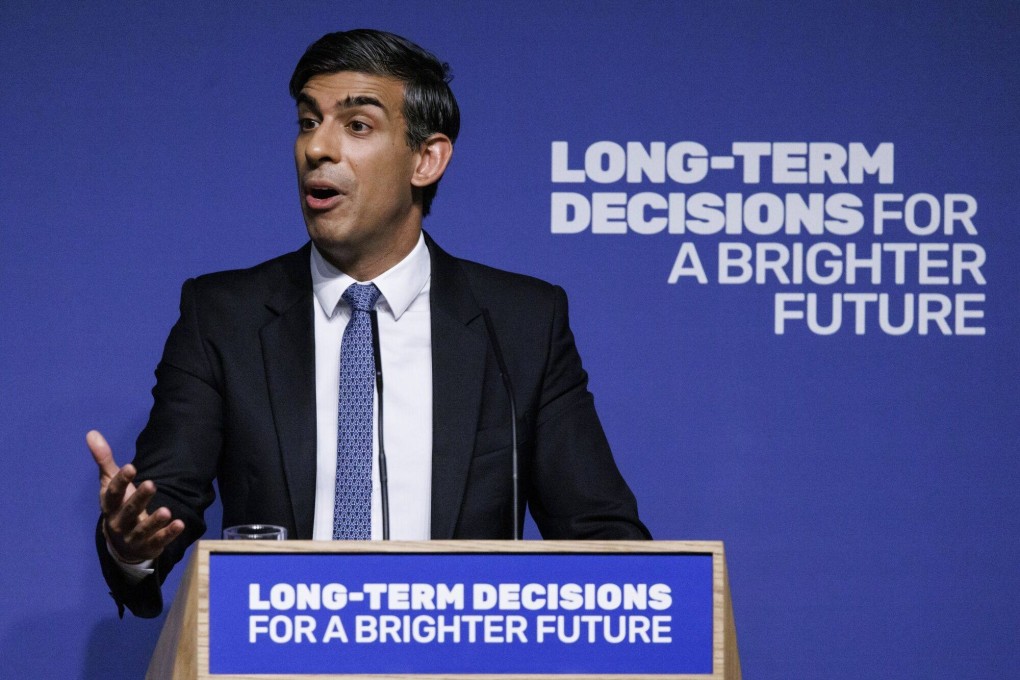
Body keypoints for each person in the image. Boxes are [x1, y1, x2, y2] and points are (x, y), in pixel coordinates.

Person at [89, 29, 650, 619]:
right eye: (308, 121)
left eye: (356, 126)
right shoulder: (223, 316)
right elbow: (160, 509)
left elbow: (602, 540)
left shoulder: (520, 325)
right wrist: (131, 546)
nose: (317, 149)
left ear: (426, 159)